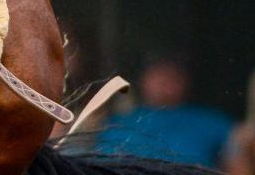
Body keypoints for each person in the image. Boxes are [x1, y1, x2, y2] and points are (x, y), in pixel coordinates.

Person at [95, 58, 233, 168]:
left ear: (184, 81)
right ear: (144, 80)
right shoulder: (116, 123)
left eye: (172, 76)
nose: (164, 82)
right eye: (157, 75)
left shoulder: (211, 121)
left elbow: (237, 168)